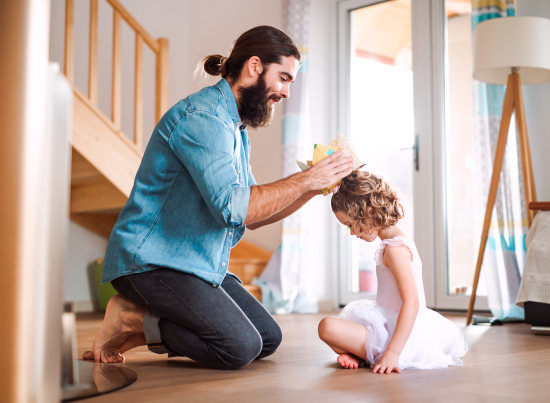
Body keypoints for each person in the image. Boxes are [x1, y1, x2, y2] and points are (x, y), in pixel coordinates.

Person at [83, 25, 355, 369]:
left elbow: (252, 214)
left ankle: (143, 320)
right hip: (151, 262)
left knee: (267, 338)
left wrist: (313, 188)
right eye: (283, 78)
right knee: (238, 347)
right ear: (255, 66)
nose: (286, 92)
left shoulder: (234, 129)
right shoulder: (203, 118)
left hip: (195, 261)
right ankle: (132, 320)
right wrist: (306, 178)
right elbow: (234, 208)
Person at [318, 170, 468, 374]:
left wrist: (393, 352)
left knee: (327, 327)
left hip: (404, 336)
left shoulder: (396, 250)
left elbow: (412, 302)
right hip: (387, 324)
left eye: (351, 225)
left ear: (369, 211)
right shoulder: (392, 244)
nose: (352, 232)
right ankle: (362, 353)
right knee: (332, 326)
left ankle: (375, 353)